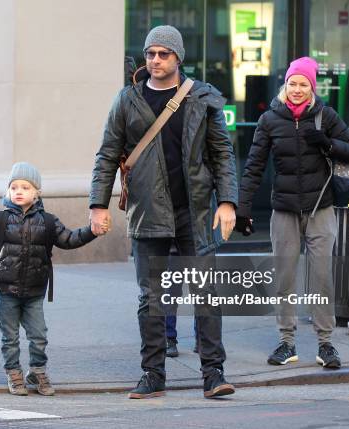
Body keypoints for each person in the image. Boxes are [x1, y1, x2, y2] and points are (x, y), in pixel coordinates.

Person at [89, 25, 238, 399]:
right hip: (148, 213)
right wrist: (97, 206)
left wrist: (227, 202)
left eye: (163, 54)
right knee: (152, 299)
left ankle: (213, 373)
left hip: (195, 212)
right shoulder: (127, 100)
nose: (155, 60)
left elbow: (222, 154)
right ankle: (153, 374)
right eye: (150, 54)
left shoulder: (202, 98)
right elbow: (107, 155)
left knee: (206, 295)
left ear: (178, 57)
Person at [234, 57, 349, 370]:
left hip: (320, 206)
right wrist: (244, 207)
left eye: (303, 84)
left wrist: (329, 144)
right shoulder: (270, 120)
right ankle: (286, 342)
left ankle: (325, 344)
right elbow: (253, 166)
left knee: (321, 276)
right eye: (292, 83)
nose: (296, 89)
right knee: (285, 276)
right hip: (285, 210)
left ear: (312, 88)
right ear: (285, 85)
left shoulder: (325, 116)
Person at [0, 162, 99, 396]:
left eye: (25, 187)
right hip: (6, 289)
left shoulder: (48, 221)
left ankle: (37, 372)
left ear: (37, 192)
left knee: (39, 336)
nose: (19, 191)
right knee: (10, 338)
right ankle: (14, 373)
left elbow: (69, 239)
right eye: (14, 187)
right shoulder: (0, 219)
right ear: (8, 191)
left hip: (35, 291)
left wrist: (91, 231)